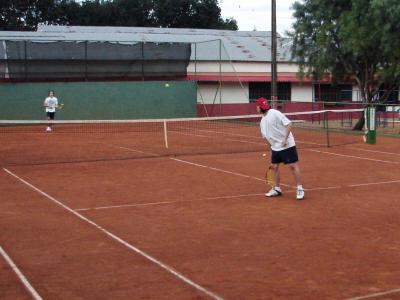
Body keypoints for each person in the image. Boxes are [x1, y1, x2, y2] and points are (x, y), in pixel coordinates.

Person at [256, 97, 305, 200]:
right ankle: (276, 189)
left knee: (292, 165)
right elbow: (266, 138)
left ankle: (300, 188)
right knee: (274, 167)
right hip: (275, 147)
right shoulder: (262, 122)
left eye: (257, 106)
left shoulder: (274, 113)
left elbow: (289, 124)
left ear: (259, 107)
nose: (257, 108)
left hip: (287, 144)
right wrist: (271, 149)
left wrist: (285, 139)